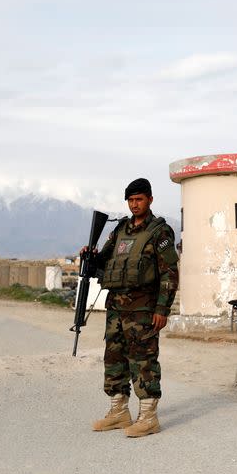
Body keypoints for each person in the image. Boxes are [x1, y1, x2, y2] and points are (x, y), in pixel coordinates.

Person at [86, 178, 179, 437]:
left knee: (143, 361)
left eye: (139, 199)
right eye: (130, 200)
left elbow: (170, 273)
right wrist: (89, 257)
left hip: (144, 309)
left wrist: (162, 308)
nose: (134, 204)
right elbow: (103, 260)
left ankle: (148, 417)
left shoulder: (160, 232)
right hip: (116, 307)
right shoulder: (120, 230)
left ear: (150, 199)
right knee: (114, 358)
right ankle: (119, 412)